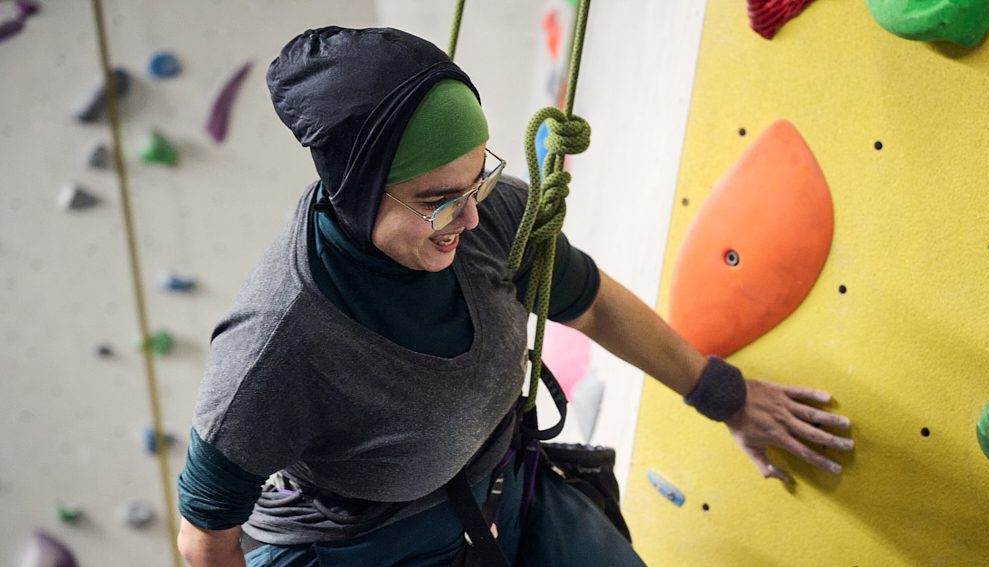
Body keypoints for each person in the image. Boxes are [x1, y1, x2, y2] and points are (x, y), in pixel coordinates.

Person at [175, 26, 854, 567]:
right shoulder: (277, 344)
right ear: (355, 194)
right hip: (357, 548)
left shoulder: (488, 214)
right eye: (438, 201)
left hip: (503, 484)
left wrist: (724, 396)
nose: (471, 219)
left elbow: (592, 303)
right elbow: (203, 539)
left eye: (479, 179)